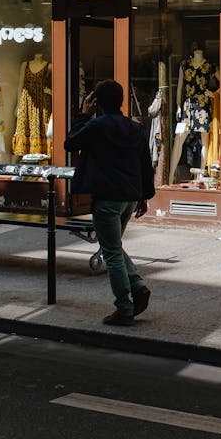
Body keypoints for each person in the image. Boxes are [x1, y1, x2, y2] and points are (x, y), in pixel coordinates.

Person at [64, 79, 155, 326]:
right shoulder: (135, 128)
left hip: (107, 198)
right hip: (129, 197)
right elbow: (145, 164)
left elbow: (70, 143)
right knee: (113, 246)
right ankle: (136, 285)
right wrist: (145, 196)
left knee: (111, 252)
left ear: (98, 103)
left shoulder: (96, 126)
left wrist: (83, 115)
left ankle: (125, 307)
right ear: (121, 101)